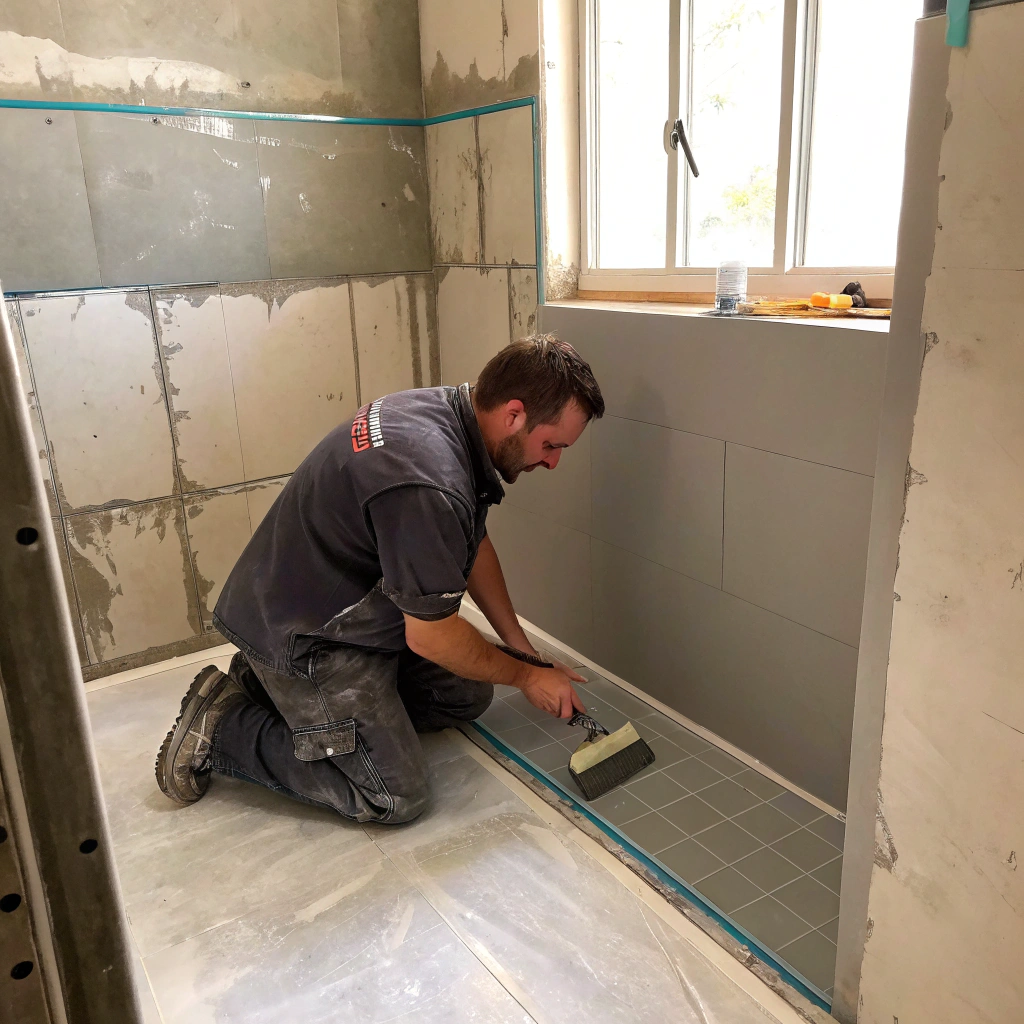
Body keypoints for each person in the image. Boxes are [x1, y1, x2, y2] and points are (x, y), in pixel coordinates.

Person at [155, 334, 605, 824]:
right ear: (514, 414)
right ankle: (224, 726)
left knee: (466, 693)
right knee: (394, 795)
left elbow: (469, 545)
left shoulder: (445, 413)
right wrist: (526, 676)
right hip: (308, 637)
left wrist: (523, 653)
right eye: (552, 444)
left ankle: (274, 692)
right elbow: (431, 635)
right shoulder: (429, 480)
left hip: (326, 604)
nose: (553, 461)